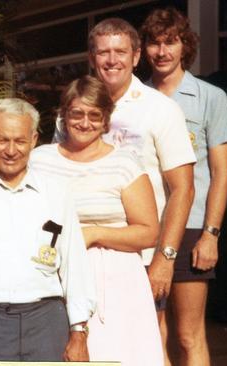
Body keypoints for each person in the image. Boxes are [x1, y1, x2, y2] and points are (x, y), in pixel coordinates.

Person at [56, 17, 196, 339]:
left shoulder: (160, 109)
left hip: (141, 256)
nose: (111, 60)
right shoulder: (74, 110)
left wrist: (165, 258)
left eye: (120, 51)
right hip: (78, 253)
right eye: (103, 52)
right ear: (92, 59)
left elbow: (183, 190)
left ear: (135, 57)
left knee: (145, 346)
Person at [0, 97, 96, 362]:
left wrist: (79, 333)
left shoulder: (57, 194)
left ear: (34, 140)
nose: (11, 150)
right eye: (2, 140)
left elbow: (75, 267)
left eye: (20, 141)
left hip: (46, 322)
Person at [31, 75, 162, 366]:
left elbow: (148, 233)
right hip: (53, 276)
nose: (85, 122)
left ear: (106, 120)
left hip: (116, 282)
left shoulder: (125, 163)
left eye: (95, 115)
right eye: (77, 113)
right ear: (63, 116)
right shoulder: (40, 160)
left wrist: (93, 233)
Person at [141, 8, 227, 366]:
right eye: (154, 42)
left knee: (187, 335)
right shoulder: (135, 98)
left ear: (186, 46)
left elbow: (221, 173)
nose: (162, 51)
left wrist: (211, 234)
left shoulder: (211, 98)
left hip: (192, 226)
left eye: (171, 42)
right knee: (152, 333)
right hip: (145, 226)